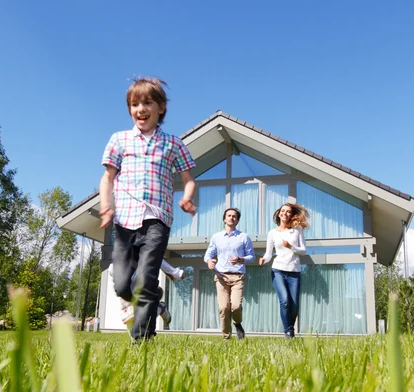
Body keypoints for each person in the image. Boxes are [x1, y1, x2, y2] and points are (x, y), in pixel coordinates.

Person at [99, 77, 197, 342]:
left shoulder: (173, 144)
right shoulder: (119, 140)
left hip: (157, 220)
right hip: (124, 221)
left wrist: (186, 198)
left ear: (161, 108)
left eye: (147, 102)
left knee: (143, 280)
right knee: (122, 285)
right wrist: (106, 206)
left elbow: (189, 180)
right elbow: (108, 177)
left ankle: (141, 341)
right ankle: (156, 302)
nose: (140, 108)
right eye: (134, 104)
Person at [259, 203, 309, 338]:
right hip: (278, 270)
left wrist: (290, 246)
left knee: (294, 305)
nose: (285, 213)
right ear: (279, 213)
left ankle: (290, 327)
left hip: (294, 271)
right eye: (283, 211)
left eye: (288, 212)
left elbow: (303, 251)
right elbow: (269, 253)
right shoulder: (272, 233)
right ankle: (288, 331)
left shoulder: (297, 230)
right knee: (285, 301)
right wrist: (263, 259)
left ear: (291, 215)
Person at [203, 208, 255, 340]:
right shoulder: (216, 237)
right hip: (221, 276)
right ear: (224, 219)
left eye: (234, 216)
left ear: (237, 220)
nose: (231, 218)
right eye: (229, 216)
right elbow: (208, 254)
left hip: (238, 276)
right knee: (224, 307)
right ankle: (226, 337)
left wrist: (240, 259)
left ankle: (237, 323)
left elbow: (252, 257)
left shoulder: (243, 237)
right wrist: (209, 261)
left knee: (236, 306)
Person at [108, 260, 186, 328]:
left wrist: (174, 272)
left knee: (142, 318)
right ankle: (159, 308)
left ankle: (159, 308)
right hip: (128, 285)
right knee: (131, 318)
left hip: (143, 287)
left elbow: (155, 256)